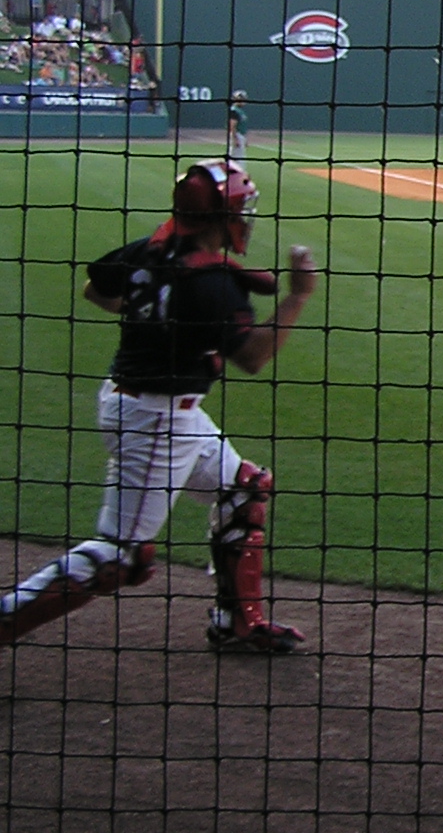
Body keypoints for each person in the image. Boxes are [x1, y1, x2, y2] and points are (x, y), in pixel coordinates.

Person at [0, 161, 318, 652]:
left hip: (154, 408)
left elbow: (98, 290)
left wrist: (156, 314)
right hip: (156, 421)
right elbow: (253, 356)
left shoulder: (150, 250)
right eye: (242, 210)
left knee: (244, 489)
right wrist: (298, 297)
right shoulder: (214, 283)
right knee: (120, 557)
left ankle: (237, 624)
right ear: (224, 216)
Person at [227, 90, 249, 157]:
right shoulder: (234, 110)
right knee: (236, 157)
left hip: (241, 135)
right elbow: (232, 126)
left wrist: (245, 139)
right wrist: (235, 139)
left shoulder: (239, 111)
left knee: (240, 156)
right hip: (237, 135)